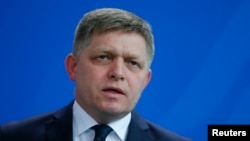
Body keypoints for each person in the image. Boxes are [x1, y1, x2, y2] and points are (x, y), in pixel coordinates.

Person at [0, 8, 191, 141]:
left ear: (145, 80)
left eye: (133, 63)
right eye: (103, 57)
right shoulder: (11, 137)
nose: (117, 73)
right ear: (73, 67)